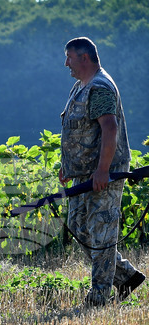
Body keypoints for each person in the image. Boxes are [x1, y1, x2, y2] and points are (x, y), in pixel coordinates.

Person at [58, 37, 144, 306]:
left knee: (101, 235)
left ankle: (98, 297)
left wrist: (103, 171)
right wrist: (68, 165)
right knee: (78, 228)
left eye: (69, 57)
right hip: (84, 174)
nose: (66, 63)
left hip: (104, 174)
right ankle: (127, 276)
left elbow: (110, 129)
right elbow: (79, 129)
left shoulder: (100, 87)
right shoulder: (79, 87)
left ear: (84, 58)